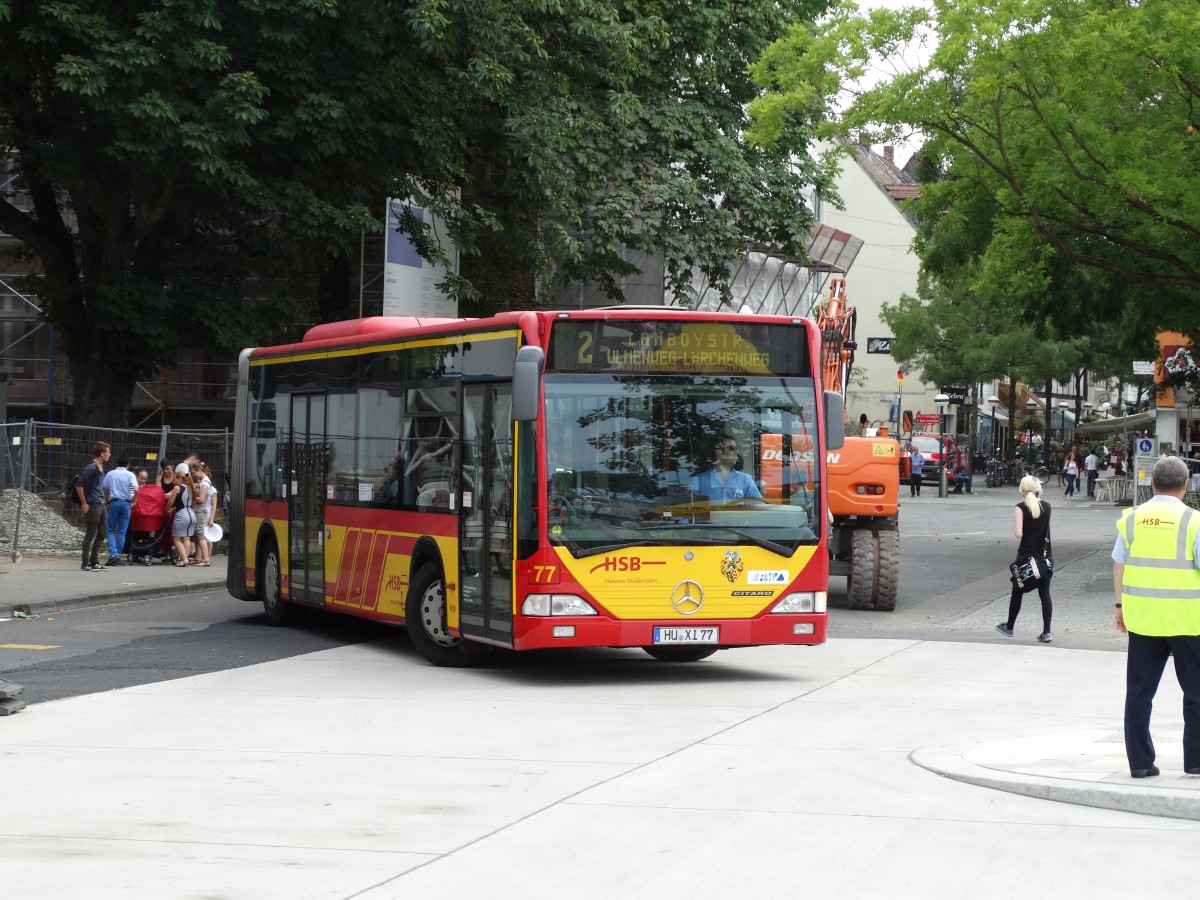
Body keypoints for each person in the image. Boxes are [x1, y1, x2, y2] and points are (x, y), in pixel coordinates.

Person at [1112, 455, 1200, 779]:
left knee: (1138, 693)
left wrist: (1120, 607)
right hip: (1187, 621)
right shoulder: (1194, 522)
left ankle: (1139, 762)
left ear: (1153, 483)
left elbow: (1118, 563)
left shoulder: (1132, 519)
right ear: (1185, 485)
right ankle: (1195, 760)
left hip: (1144, 620)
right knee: (1196, 693)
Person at [996, 474, 1054, 642]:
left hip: (1025, 556)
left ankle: (1010, 627)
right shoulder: (1048, 507)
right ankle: (1047, 631)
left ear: (1022, 489)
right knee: (1045, 594)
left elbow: (1018, 533)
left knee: (1018, 590)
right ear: (1038, 490)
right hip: (1044, 556)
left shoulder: (1020, 507)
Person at [689, 435, 762, 504]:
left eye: (736, 448)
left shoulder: (746, 480)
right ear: (719, 452)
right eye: (732, 448)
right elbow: (687, 511)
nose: (737, 452)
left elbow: (759, 507)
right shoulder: (700, 481)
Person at [75, 441, 111, 571]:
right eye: (108, 452)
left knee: (102, 532)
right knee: (90, 533)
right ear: (102, 454)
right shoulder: (91, 467)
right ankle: (85, 562)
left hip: (101, 503)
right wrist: (84, 503)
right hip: (93, 504)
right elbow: (79, 485)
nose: (109, 454)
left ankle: (94, 560)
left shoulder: (101, 467)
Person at [101, 455, 139, 566]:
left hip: (114, 502)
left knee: (111, 529)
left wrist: (108, 500)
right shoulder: (130, 474)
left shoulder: (110, 474)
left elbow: (106, 489)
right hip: (126, 503)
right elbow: (136, 489)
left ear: (117, 463)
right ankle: (118, 555)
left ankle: (113, 554)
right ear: (128, 464)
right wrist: (133, 498)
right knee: (122, 531)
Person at [165, 462, 197, 567]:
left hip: (182, 516)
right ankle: (185, 559)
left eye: (175, 479)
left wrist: (166, 510)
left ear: (179, 478)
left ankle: (183, 559)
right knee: (187, 538)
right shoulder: (190, 488)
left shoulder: (177, 488)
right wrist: (174, 509)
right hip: (191, 515)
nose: (174, 481)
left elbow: (170, 501)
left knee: (177, 538)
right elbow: (185, 502)